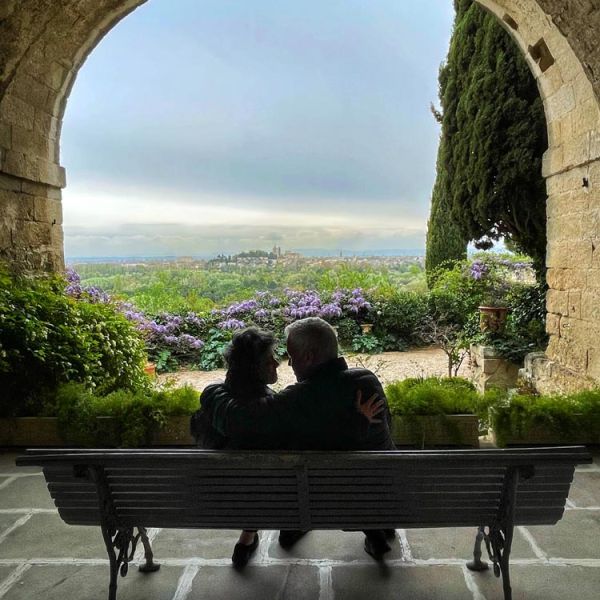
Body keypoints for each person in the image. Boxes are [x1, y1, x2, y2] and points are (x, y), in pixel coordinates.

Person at [192, 326, 382, 568]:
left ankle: (247, 537)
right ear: (255, 368)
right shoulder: (271, 413)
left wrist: (210, 391)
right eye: (270, 359)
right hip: (283, 505)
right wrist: (358, 421)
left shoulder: (214, 413)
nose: (279, 364)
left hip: (231, 500)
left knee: (252, 479)